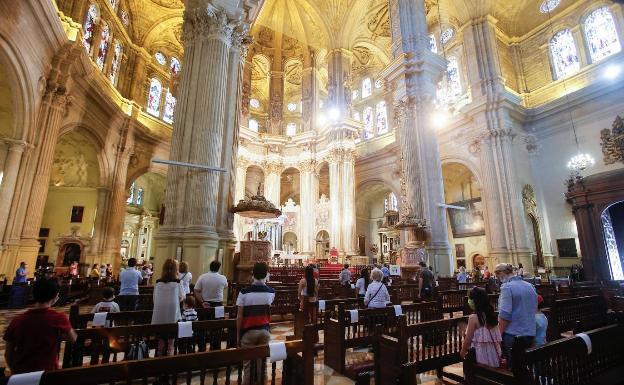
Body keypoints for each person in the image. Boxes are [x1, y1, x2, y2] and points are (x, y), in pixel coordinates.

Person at [3, 278, 77, 373]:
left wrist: (15, 372)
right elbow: (73, 338)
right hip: (48, 373)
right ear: (55, 297)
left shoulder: (17, 320)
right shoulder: (59, 318)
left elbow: (8, 354)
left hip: (21, 373)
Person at [236, 262, 275, 385]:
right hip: (265, 331)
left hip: (248, 331)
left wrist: (238, 336)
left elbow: (239, 317)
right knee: (262, 366)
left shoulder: (244, 292)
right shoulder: (271, 292)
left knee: (247, 367)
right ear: (266, 274)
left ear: (252, 274)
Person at [495, 263, 537, 369]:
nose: (497, 278)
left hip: (513, 335)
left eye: (496, 274)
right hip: (530, 332)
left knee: (514, 368)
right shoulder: (530, 286)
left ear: (501, 273)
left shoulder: (507, 287)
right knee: (526, 366)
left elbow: (505, 316)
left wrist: (498, 336)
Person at [460, 287, 503, 367]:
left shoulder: (473, 318)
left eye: (470, 298)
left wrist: (462, 351)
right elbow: (498, 339)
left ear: (475, 301)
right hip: (494, 356)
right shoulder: (492, 315)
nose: (469, 301)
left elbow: (468, 340)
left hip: (481, 357)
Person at [152, 259, 185, 356]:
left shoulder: (158, 282)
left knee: (160, 343)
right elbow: (182, 297)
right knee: (171, 344)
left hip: (159, 315)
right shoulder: (178, 282)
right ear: (176, 269)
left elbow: (154, 299)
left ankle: (159, 362)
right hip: (172, 315)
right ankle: (168, 365)